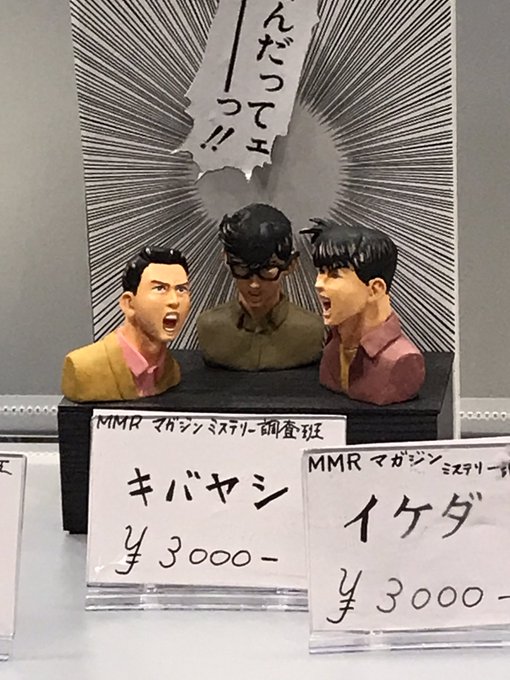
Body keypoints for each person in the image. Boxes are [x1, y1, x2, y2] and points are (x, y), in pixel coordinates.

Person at [301, 218, 425, 405]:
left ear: (375, 289)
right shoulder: (333, 346)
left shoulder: (403, 360)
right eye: (321, 272)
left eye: (334, 274)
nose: (318, 283)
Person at [197, 203, 324, 370]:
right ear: (226, 260)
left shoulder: (311, 330)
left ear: (291, 264)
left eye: (267, 270)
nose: (254, 284)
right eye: (242, 269)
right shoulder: (210, 326)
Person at [61, 246, 191, 402]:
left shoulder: (171, 371)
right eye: (160, 288)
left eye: (181, 289)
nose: (174, 301)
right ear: (129, 303)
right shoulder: (82, 367)